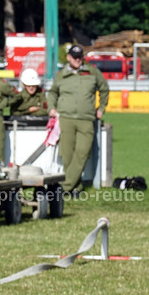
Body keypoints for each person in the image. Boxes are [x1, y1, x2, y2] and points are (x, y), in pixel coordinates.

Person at [47, 45, 109, 196]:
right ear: (68, 57)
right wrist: (51, 108)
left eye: (79, 56)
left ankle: (65, 187)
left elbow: (104, 89)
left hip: (86, 119)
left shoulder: (92, 71)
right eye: (74, 56)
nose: (77, 59)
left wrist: (101, 108)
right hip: (66, 118)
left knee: (82, 152)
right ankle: (76, 187)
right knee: (67, 154)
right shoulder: (61, 74)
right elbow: (53, 92)